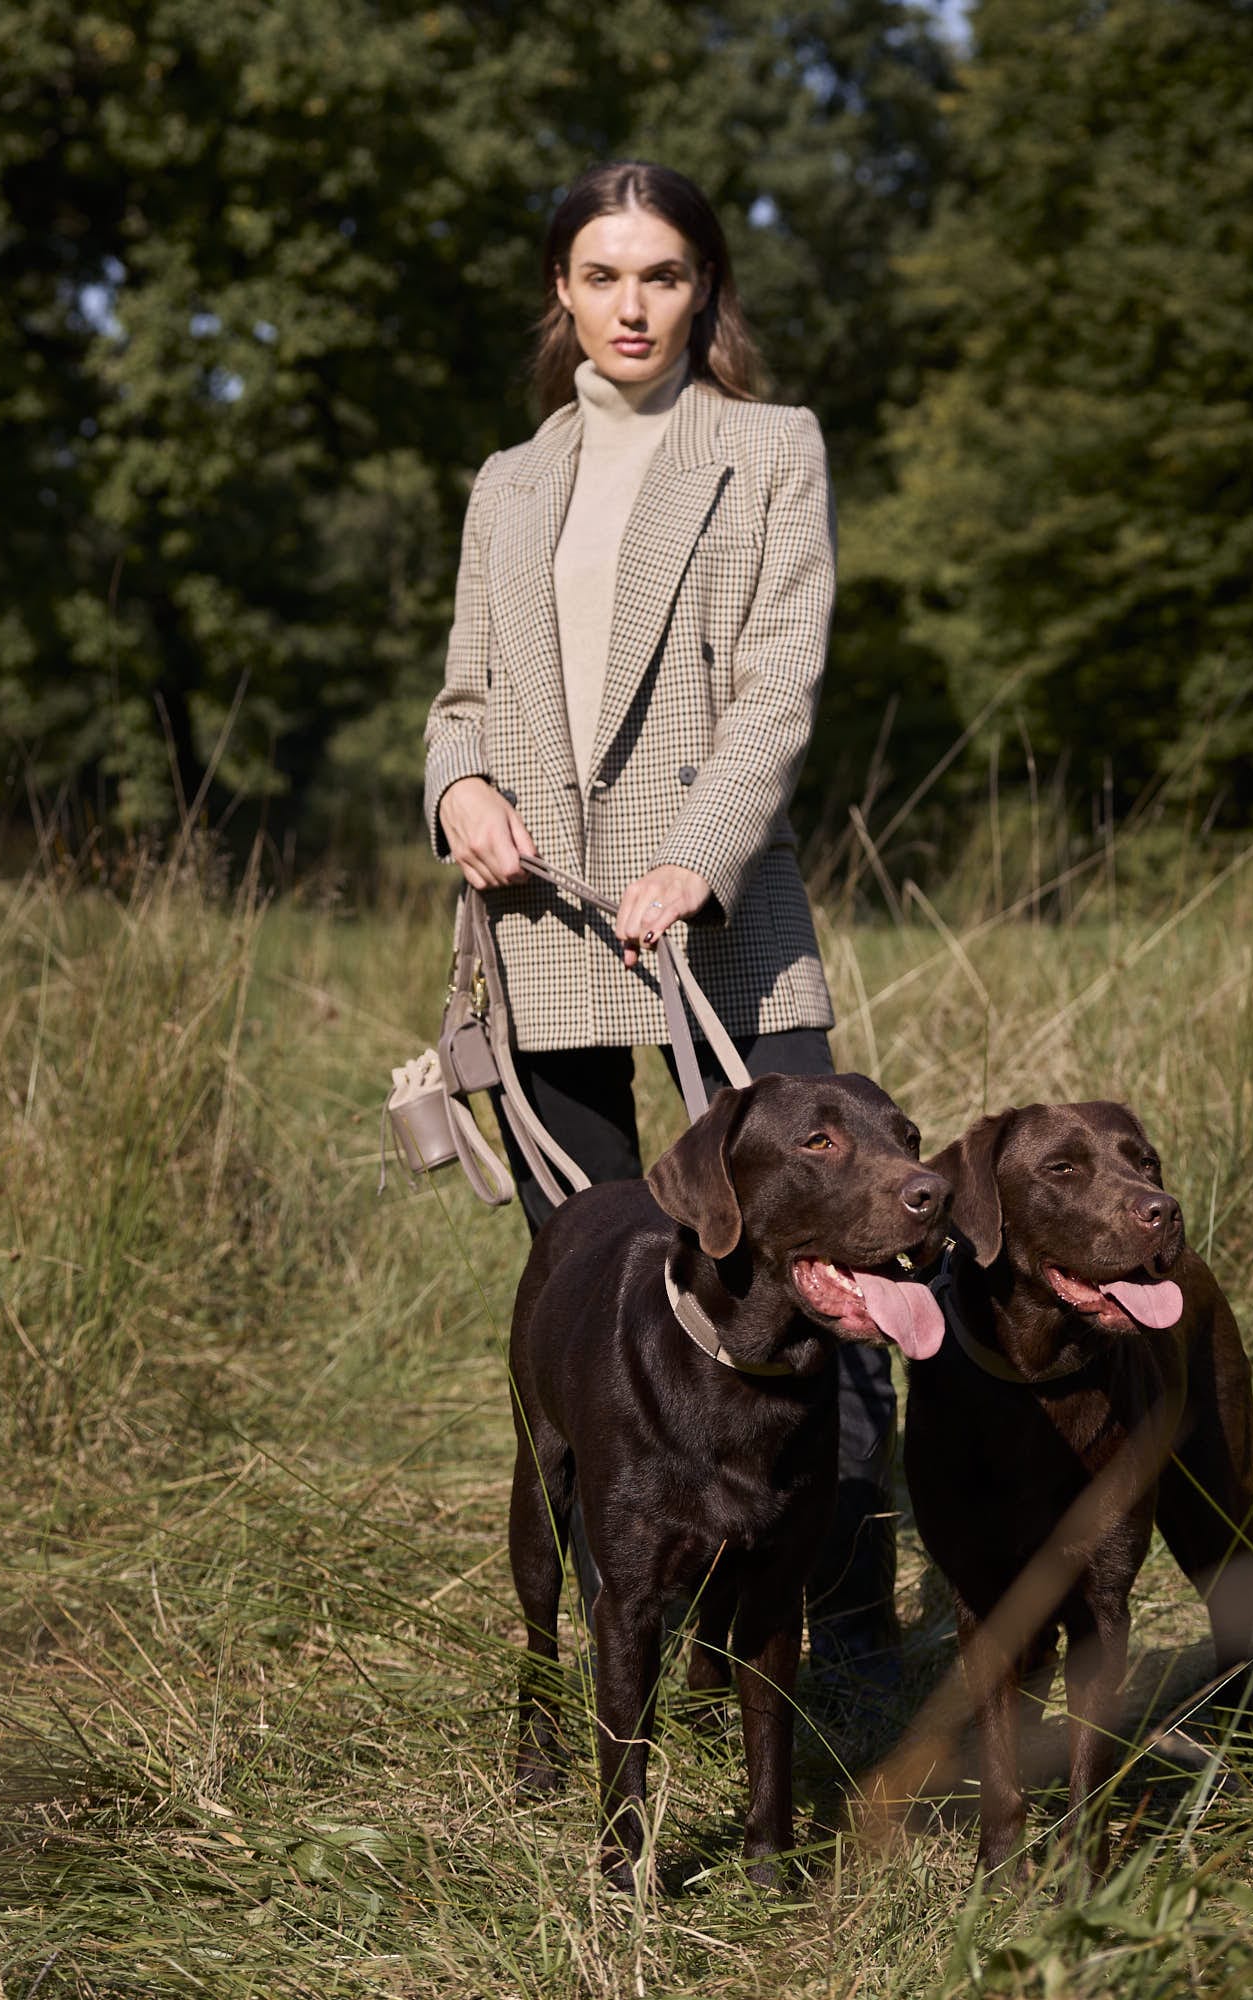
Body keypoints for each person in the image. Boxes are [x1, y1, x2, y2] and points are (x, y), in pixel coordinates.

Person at [422, 161, 898, 1694]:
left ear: (706, 291)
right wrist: (457, 789)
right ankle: (623, 1640)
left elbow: (777, 686)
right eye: (603, 276)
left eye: (665, 274)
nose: (633, 306)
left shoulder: (770, 448)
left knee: (831, 1257)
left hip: (726, 915)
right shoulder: (506, 483)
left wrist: (697, 856)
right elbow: (462, 697)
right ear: (560, 294)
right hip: (543, 914)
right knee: (593, 1299)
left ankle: (846, 1639)